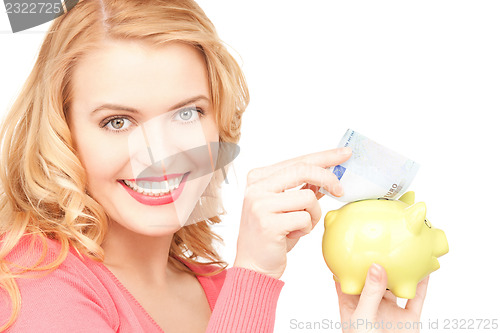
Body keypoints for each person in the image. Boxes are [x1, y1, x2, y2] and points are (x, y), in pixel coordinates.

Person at [0, 0, 429, 332]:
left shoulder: (214, 287)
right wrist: (255, 275)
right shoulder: (33, 287)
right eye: (118, 121)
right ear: (61, 130)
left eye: (186, 114)